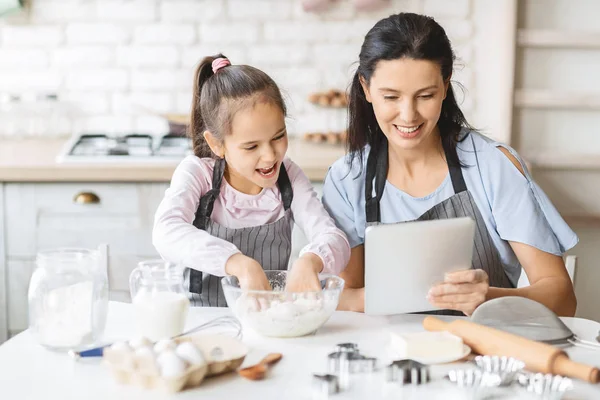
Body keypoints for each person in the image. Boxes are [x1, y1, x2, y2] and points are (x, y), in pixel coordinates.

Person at [322, 13, 578, 316]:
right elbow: (343, 298)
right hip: (384, 353)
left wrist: (488, 298)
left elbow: (562, 297)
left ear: (445, 86)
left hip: (482, 353)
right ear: (365, 89)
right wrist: (416, 298)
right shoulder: (347, 179)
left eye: (425, 95)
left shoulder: (493, 166)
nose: (408, 115)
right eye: (391, 96)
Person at [153, 54, 350, 307]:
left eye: (278, 136)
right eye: (251, 146)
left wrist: (311, 260)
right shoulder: (197, 173)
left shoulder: (289, 176)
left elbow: (334, 238)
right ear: (217, 144)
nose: (269, 156)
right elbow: (165, 232)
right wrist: (238, 264)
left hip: (268, 320)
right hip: (204, 318)